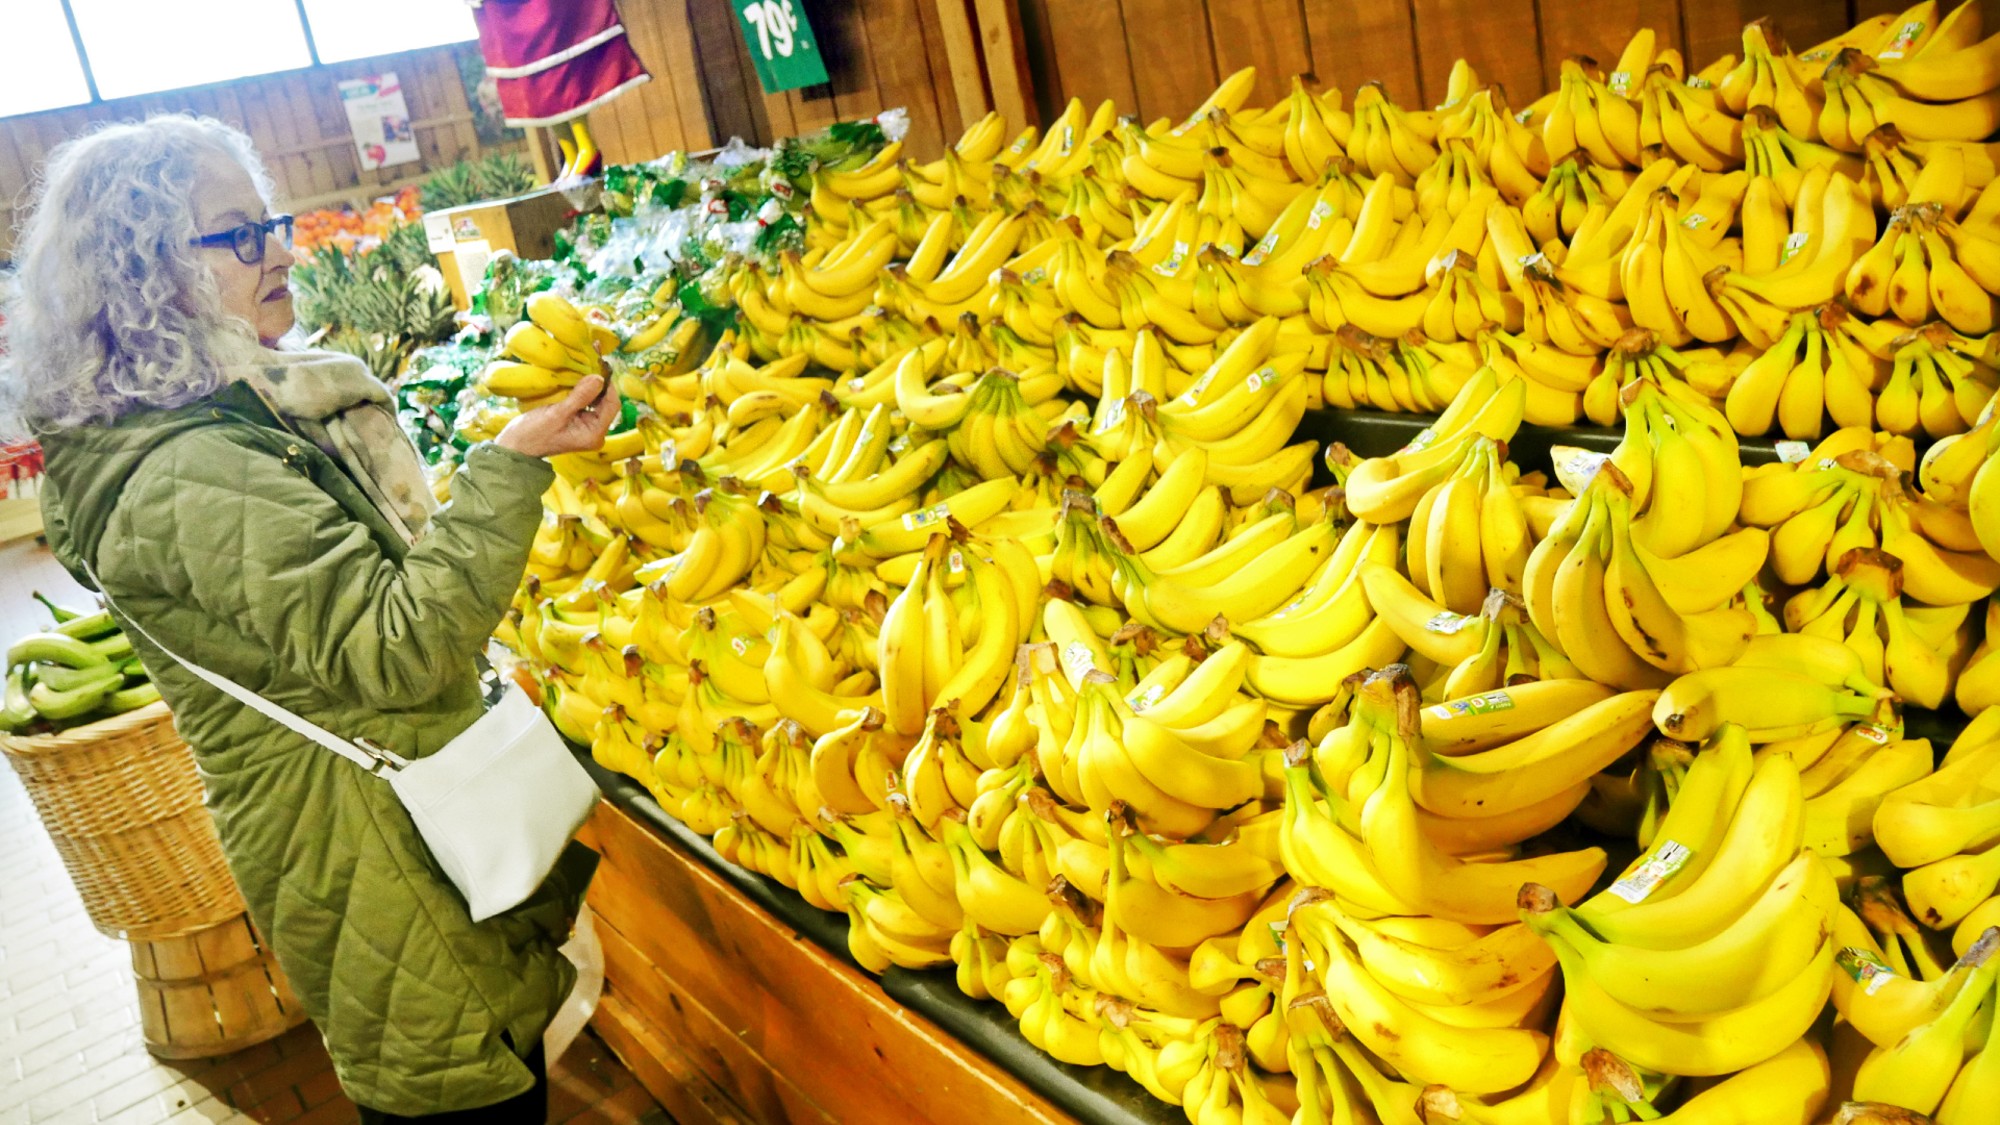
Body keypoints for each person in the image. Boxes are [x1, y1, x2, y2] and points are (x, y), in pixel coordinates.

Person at [1, 115, 616, 1123]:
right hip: (372, 859)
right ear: (145, 272)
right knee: (458, 1088)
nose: (279, 250)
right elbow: (399, 644)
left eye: (269, 223)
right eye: (237, 235)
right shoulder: (186, 471)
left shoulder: (204, 421)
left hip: (374, 835)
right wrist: (509, 466)